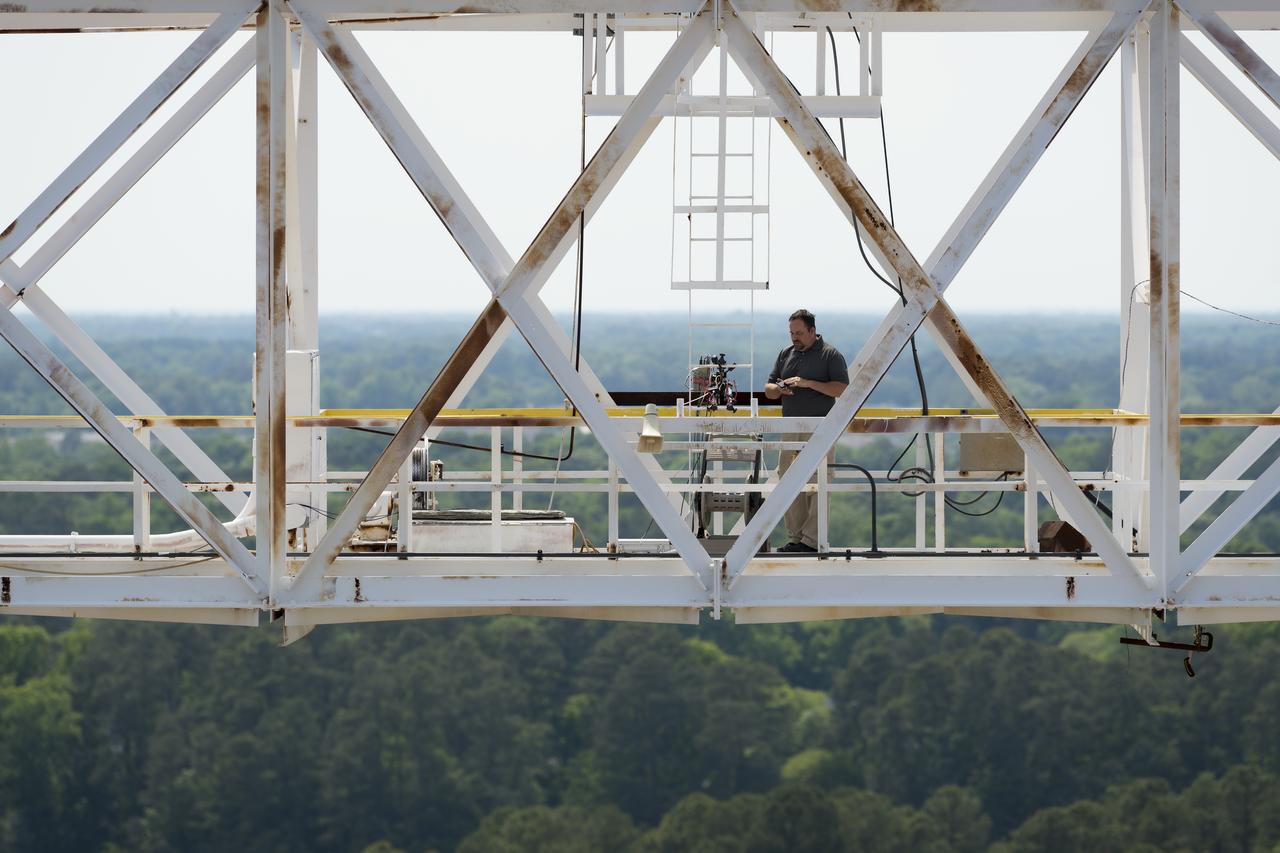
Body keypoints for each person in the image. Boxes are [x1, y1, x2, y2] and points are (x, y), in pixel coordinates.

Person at [764, 309, 850, 553]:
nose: (795, 338)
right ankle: (795, 539)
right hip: (791, 427)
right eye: (792, 333)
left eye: (799, 333)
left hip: (820, 428)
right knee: (789, 481)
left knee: (817, 482)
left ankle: (812, 541)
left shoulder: (830, 354)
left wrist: (808, 383)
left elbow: (842, 389)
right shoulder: (786, 354)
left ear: (813, 331)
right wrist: (780, 388)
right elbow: (769, 388)